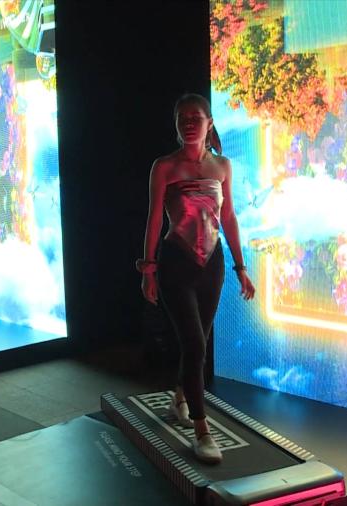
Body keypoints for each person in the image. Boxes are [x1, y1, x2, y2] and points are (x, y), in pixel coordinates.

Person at [137, 94, 255, 464]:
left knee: (198, 343)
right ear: (176, 124)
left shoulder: (223, 166)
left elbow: (229, 217)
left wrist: (241, 267)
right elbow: (154, 218)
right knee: (194, 344)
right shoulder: (164, 167)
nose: (189, 123)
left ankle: (179, 397)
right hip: (176, 262)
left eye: (196, 117)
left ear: (209, 123)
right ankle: (202, 431)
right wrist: (149, 269)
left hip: (213, 265)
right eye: (182, 117)